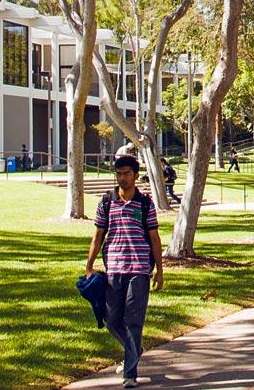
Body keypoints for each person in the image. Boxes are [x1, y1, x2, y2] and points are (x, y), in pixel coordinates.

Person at [84, 156, 164, 389]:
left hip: (139, 269)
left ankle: (130, 374)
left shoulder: (145, 203)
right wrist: (89, 265)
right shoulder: (107, 202)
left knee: (134, 321)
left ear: (136, 175)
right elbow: (98, 235)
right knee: (110, 319)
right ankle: (134, 349)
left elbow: (154, 238)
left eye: (127, 173)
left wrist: (159, 270)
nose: (122, 178)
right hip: (114, 268)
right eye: (119, 174)